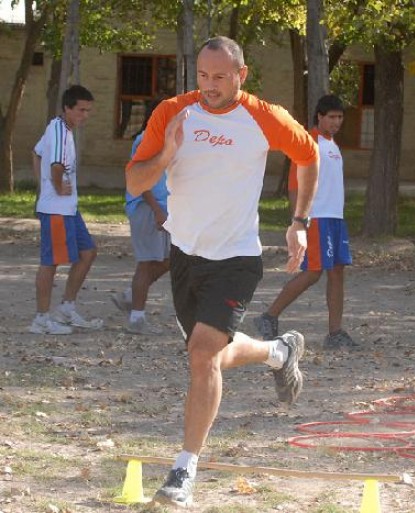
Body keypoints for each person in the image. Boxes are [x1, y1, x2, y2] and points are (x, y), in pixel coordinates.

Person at [125, 36, 319, 508]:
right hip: (185, 255)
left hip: (236, 258)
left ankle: (183, 470)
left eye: (220, 77)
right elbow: (134, 181)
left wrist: (299, 223)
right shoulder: (172, 112)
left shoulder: (264, 117)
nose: (209, 86)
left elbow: (309, 156)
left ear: (241, 75)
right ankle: (278, 351)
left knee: (201, 354)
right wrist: (167, 156)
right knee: (209, 355)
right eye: (203, 76)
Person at [255, 94, 356, 349]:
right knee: (312, 272)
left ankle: (335, 333)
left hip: (335, 218)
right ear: (319, 117)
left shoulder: (333, 145)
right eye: (331, 117)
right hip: (316, 218)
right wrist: (298, 220)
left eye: (340, 117)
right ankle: (269, 316)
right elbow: (294, 184)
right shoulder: (309, 142)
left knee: (337, 272)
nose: (336, 122)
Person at [29, 85, 103, 335]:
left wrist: (43, 186)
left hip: (68, 208)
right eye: (81, 110)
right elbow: (57, 166)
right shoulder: (60, 130)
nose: (85, 115)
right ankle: (41, 319)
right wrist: (56, 187)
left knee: (88, 252)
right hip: (57, 209)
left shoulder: (58, 128)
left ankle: (66, 308)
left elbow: (36, 153)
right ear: (67, 108)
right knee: (50, 262)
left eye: (88, 110)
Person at [111, 99, 171, 334]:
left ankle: (130, 297)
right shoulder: (146, 140)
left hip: (163, 209)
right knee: (147, 264)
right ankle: (137, 318)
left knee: (170, 259)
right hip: (147, 208)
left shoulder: (166, 140)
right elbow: (140, 179)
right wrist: (156, 209)